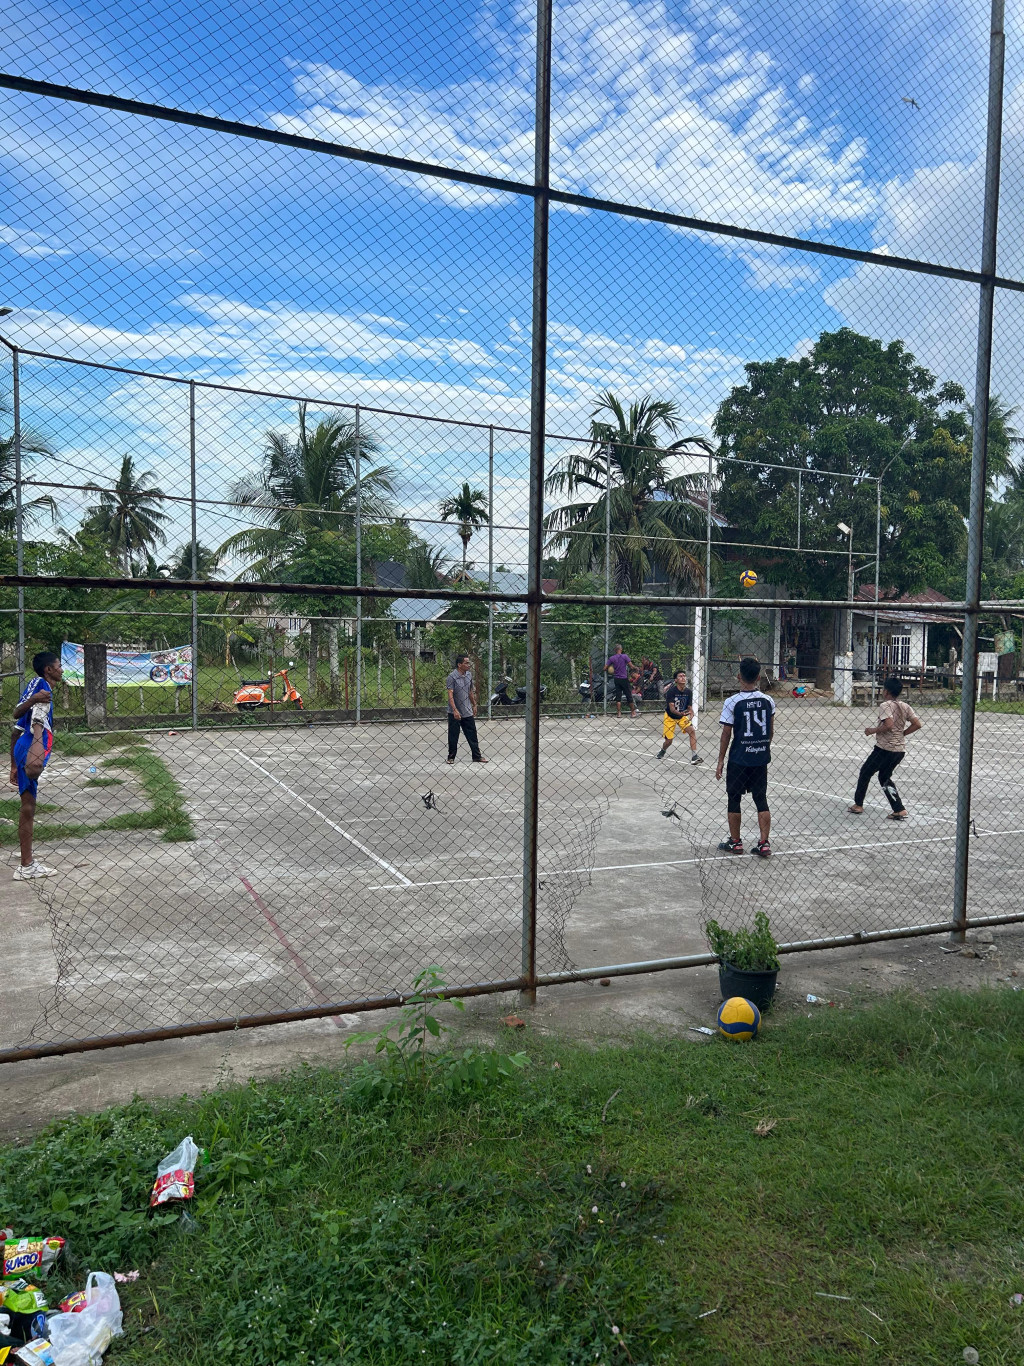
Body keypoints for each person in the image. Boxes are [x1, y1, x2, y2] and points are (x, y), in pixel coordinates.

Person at [9, 650, 62, 881]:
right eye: (58, 665)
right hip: (32, 744)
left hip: (23, 745)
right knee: (33, 770)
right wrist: (37, 713)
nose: (61, 669)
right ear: (48, 669)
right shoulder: (40, 684)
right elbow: (16, 712)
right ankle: (27, 865)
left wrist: (12, 764)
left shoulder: (44, 690)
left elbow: (16, 729)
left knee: (28, 807)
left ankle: (26, 862)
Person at [715, 656, 775, 857]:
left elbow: (726, 733)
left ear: (739, 676)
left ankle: (735, 842)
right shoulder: (768, 701)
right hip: (759, 757)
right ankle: (764, 843)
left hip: (739, 757)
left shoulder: (732, 702)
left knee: (734, 797)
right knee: (761, 798)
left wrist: (721, 759)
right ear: (758, 678)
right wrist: (762, 747)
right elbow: (770, 731)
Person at [848, 675, 921, 820]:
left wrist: (872, 730)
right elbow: (917, 724)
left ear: (886, 691)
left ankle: (858, 804)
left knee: (865, 772)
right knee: (884, 776)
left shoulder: (885, 706)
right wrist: (902, 734)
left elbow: (889, 725)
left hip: (884, 749)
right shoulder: (905, 706)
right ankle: (899, 809)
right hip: (899, 750)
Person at [445, 654, 487, 764]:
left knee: (472, 734)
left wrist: (474, 704)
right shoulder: (452, 677)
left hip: (467, 710)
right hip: (455, 711)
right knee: (453, 735)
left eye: (469, 662)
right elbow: (450, 695)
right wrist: (454, 710)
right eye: (466, 663)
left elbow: (470, 692)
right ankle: (451, 757)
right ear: (459, 665)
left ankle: (476, 756)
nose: (469, 665)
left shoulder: (468, 675)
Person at [658, 667, 703, 764]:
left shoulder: (688, 692)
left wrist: (691, 712)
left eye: (684, 676)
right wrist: (681, 713)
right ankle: (663, 750)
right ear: (676, 680)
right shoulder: (671, 692)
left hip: (681, 716)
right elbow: (672, 709)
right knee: (669, 741)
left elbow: (689, 706)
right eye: (680, 676)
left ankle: (694, 756)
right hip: (670, 716)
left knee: (692, 731)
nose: (683, 678)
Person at [605, 643, 636, 718]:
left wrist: (611, 668)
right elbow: (631, 666)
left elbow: (604, 668)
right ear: (621, 649)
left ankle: (619, 713)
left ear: (615, 650)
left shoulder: (612, 658)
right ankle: (633, 712)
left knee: (618, 696)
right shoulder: (625, 656)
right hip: (624, 678)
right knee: (629, 695)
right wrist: (636, 668)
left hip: (616, 679)